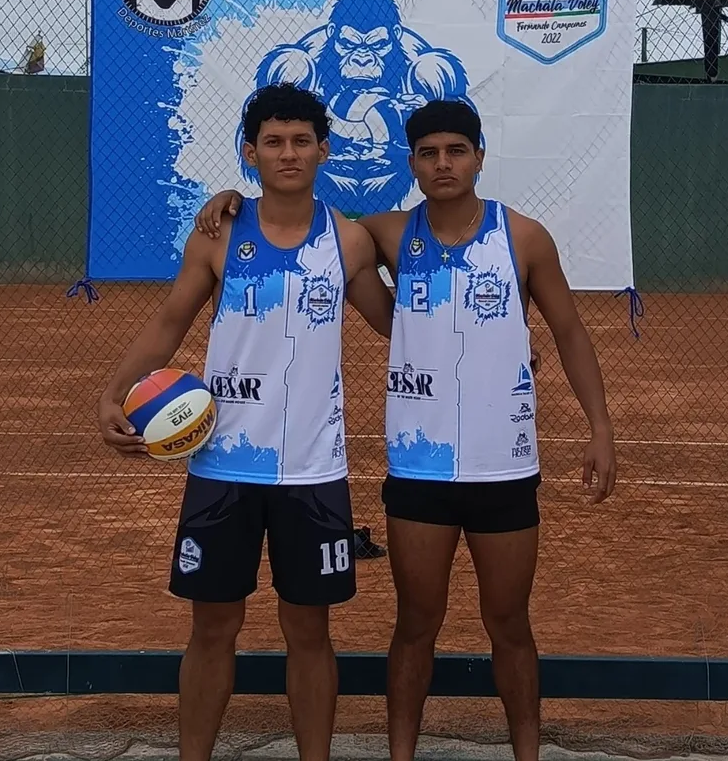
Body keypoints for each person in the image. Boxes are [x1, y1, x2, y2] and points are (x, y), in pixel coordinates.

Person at [195, 97, 616, 761]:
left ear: (480, 155)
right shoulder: (384, 234)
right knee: (416, 625)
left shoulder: (525, 236)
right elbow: (298, 217)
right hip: (419, 473)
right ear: (412, 162)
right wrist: (231, 199)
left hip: (503, 468)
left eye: (456, 151)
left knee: (509, 625)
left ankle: (528, 754)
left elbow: (569, 331)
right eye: (428, 153)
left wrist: (599, 427)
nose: (443, 164)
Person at [97, 82, 394, 761]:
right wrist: (113, 393)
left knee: (310, 632)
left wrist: (493, 345)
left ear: (324, 148)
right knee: (212, 628)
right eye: (272, 142)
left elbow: (393, 326)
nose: (288, 153)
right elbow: (170, 321)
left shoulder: (348, 242)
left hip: (314, 471)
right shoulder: (218, 234)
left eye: (300, 141)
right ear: (249, 152)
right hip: (223, 464)